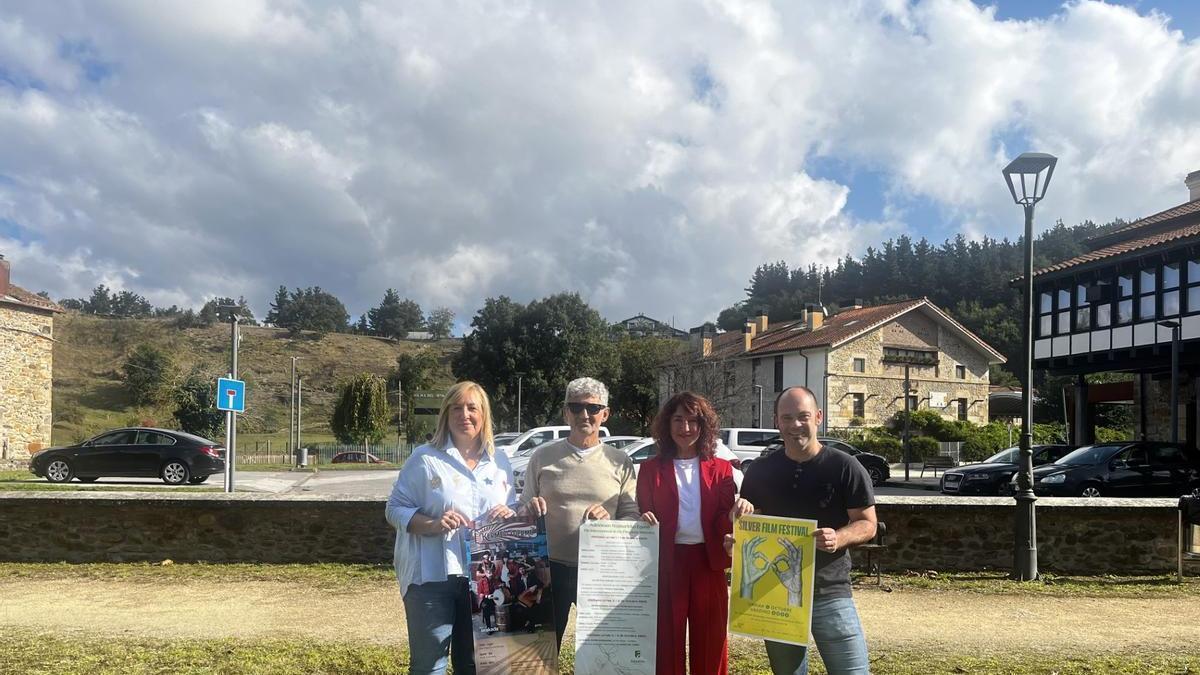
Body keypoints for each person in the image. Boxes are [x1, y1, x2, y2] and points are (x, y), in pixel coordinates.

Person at [734, 386, 877, 675]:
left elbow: (867, 523)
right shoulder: (760, 470)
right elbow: (751, 525)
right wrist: (738, 524)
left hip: (830, 590)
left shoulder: (845, 466)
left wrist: (839, 537)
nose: (794, 425)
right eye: (786, 418)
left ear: (819, 417)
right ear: (776, 421)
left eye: (803, 416)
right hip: (775, 594)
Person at [385, 381, 517, 675]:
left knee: (475, 664)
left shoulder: (500, 462)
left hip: (482, 579)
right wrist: (432, 524)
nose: (464, 415)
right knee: (429, 665)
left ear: (484, 415)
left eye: (472, 408)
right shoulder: (425, 458)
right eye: (456, 408)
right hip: (431, 576)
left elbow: (512, 508)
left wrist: (510, 511)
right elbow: (394, 509)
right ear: (445, 414)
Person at [520, 377, 645, 649]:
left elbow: (631, 516)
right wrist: (528, 509)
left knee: (603, 652)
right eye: (576, 408)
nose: (584, 415)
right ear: (566, 412)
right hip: (549, 569)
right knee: (542, 649)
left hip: (600, 570)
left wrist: (610, 522)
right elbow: (522, 508)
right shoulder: (541, 457)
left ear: (605, 413)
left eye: (593, 408)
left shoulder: (620, 461)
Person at [637, 392, 738, 675]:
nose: (685, 428)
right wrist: (641, 518)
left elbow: (723, 519)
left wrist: (732, 517)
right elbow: (642, 515)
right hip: (667, 564)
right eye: (678, 420)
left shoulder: (722, 469)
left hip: (708, 563)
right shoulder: (649, 470)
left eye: (693, 421)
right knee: (666, 643)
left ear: (704, 426)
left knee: (712, 641)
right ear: (667, 425)